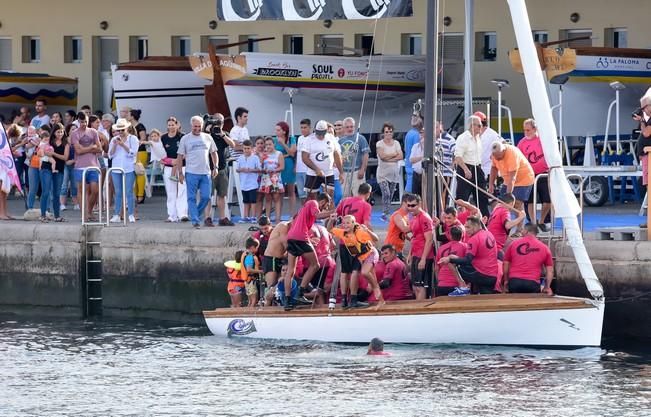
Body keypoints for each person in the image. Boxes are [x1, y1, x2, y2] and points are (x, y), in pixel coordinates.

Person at [284, 193, 333, 310]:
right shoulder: (313, 203)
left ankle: (287, 301)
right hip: (301, 238)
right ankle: (300, 293)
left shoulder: (304, 209)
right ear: (322, 202)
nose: (325, 208)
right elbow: (318, 215)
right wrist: (333, 211)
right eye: (326, 206)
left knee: (291, 270)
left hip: (291, 238)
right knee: (315, 265)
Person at [330, 215, 383, 308]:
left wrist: (368, 231)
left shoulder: (360, 232)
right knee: (351, 273)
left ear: (353, 223)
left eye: (348, 223)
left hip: (370, 254)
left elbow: (376, 239)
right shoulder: (343, 233)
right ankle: (346, 299)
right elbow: (330, 229)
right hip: (361, 257)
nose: (345, 225)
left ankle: (375, 293)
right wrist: (331, 220)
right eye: (344, 223)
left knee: (364, 273)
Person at [176, 116, 218, 229]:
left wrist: (216, 167)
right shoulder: (185, 138)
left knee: (206, 197)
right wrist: (180, 172)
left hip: (205, 172)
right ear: (191, 126)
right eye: (195, 126)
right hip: (191, 172)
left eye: (199, 126)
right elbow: (180, 156)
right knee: (191, 197)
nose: (197, 128)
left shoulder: (208, 137)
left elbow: (214, 153)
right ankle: (195, 220)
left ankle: (195, 214)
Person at [439, 216, 498, 294]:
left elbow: (467, 260)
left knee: (451, 258)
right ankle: (472, 290)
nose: (466, 230)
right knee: (486, 300)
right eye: (465, 227)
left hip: (482, 274)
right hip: (493, 275)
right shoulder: (488, 233)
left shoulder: (474, 239)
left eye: (468, 227)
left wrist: (449, 259)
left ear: (476, 226)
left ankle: (462, 285)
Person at [517, 118, 552, 231]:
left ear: (535, 129)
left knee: (547, 200)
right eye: (524, 130)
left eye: (528, 130)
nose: (526, 133)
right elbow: (518, 158)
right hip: (529, 175)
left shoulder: (542, 140)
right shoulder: (522, 143)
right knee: (530, 200)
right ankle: (533, 222)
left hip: (543, 174)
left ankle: (541, 221)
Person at [204, 113, 236, 227]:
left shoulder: (223, 134)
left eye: (220, 122)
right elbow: (202, 143)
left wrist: (222, 135)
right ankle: (207, 218)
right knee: (207, 195)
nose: (218, 124)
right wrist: (207, 132)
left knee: (222, 195)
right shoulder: (206, 134)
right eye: (216, 121)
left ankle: (222, 218)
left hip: (221, 168)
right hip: (209, 169)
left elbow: (233, 145)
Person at [504, 223, 554, 295]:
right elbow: (550, 271)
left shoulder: (513, 244)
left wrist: (506, 280)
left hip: (514, 282)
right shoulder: (545, 248)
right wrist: (547, 287)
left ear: (527, 231)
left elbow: (506, 263)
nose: (521, 231)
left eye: (523, 229)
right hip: (532, 283)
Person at [454, 115, 489, 216]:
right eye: (479, 125)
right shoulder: (463, 138)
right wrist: (465, 169)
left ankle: (485, 219)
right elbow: (458, 156)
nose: (481, 127)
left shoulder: (478, 137)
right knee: (463, 197)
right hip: (466, 167)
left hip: (477, 167)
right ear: (472, 126)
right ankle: (462, 220)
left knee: (482, 196)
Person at [405, 193, 437, 300]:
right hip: (416, 254)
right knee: (415, 285)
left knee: (420, 286)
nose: (410, 208)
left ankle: (420, 310)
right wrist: (410, 254)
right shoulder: (414, 217)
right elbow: (414, 237)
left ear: (419, 204)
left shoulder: (424, 218)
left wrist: (423, 259)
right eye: (408, 206)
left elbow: (429, 239)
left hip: (423, 255)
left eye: (413, 205)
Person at [70, 112, 101, 222]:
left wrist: (85, 149)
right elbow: (78, 151)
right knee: (81, 190)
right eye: (82, 122)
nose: (84, 124)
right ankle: (84, 214)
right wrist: (91, 147)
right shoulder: (74, 133)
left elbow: (99, 149)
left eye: (86, 122)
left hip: (93, 165)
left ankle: (89, 211)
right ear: (78, 121)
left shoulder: (93, 132)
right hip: (80, 166)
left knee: (95, 190)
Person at [488, 141, 535, 213]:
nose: (497, 159)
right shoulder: (495, 155)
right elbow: (494, 168)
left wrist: (508, 195)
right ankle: (504, 223)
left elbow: (512, 178)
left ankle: (518, 223)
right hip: (507, 180)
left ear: (503, 150)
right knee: (500, 204)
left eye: (499, 156)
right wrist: (491, 184)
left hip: (524, 179)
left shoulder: (512, 154)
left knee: (517, 204)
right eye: (495, 157)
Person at [302, 120, 344, 200]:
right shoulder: (309, 139)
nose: (320, 136)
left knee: (329, 197)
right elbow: (304, 157)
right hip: (313, 173)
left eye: (322, 133)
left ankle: (328, 211)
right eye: (318, 133)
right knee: (312, 198)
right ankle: (313, 211)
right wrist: (316, 169)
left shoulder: (331, 138)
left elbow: (336, 154)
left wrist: (341, 172)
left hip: (328, 172)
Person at [108, 118, 139, 223]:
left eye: (122, 130)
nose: (120, 132)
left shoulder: (133, 139)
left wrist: (123, 145)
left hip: (129, 168)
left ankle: (130, 214)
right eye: (119, 130)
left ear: (127, 129)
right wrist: (115, 145)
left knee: (129, 192)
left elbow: (133, 153)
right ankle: (116, 214)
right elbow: (110, 155)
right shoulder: (114, 139)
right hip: (116, 169)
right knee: (118, 192)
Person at [161, 116, 188, 222]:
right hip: (169, 166)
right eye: (169, 125)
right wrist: (170, 161)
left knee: (182, 189)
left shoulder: (183, 136)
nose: (171, 127)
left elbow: (187, 151)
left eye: (173, 125)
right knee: (171, 191)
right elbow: (160, 154)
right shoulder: (163, 138)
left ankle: (182, 214)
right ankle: (172, 215)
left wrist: (179, 160)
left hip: (182, 166)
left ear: (177, 125)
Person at [375, 122, 403, 221]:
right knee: (386, 193)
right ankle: (384, 212)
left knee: (390, 195)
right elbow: (382, 157)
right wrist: (394, 155)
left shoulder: (396, 143)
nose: (388, 134)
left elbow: (401, 156)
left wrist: (389, 158)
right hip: (382, 174)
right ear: (383, 133)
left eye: (390, 132)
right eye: (386, 132)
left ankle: (387, 211)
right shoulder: (379, 144)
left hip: (394, 174)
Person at [42, 123, 69, 222]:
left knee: (56, 193)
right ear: (54, 132)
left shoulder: (66, 143)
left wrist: (53, 153)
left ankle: (57, 216)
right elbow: (44, 151)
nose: (60, 134)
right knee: (46, 192)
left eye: (61, 131)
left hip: (60, 169)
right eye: (58, 132)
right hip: (47, 167)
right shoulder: (49, 141)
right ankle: (43, 215)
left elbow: (65, 158)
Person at [263, 219, 291, 306]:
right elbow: (286, 244)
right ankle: (265, 311)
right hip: (271, 258)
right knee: (271, 288)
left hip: (280, 259)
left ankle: (277, 307)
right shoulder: (284, 226)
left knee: (279, 288)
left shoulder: (292, 229)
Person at [339, 117, 369, 196]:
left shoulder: (361, 138)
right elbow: (338, 158)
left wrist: (363, 169)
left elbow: (365, 155)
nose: (350, 129)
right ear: (344, 128)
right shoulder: (340, 141)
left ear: (354, 127)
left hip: (357, 171)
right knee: (344, 196)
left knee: (358, 196)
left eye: (351, 126)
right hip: (345, 173)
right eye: (347, 127)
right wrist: (340, 172)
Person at [435, 226, 469, 296]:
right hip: (457, 285)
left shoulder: (441, 248)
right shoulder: (465, 247)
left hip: (441, 284)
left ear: (450, 236)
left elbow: (436, 268)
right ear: (462, 235)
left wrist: (439, 281)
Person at [259, 136, 285, 223]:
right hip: (266, 178)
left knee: (276, 197)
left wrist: (274, 170)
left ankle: (278, 218)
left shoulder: (279, 154)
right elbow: (261, 167)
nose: (268, 146)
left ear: (274, 144)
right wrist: (262, 161)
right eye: (266, 145)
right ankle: (267, 218)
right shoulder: (264, 155)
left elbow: (282, 167)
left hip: (275, 178)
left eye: (270, 144)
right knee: (268, 198)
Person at [635, 91, 651, 228]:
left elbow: (646, 133)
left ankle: (650, 221)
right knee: (647, 186)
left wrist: (642, 121)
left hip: (649, 157)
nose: (644, 111)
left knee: (649, 187)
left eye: (645, 108)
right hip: (646, 156)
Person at [274, 121, 297, 216]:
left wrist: (283, 144)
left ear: (284, 131)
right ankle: (279, 214)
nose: (276, 132)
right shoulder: (274, 140)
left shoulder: (291, 139)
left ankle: (292, 214)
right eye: (276, 130)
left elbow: (292, 153)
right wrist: (285, 154)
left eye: (278, 130)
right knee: (280, 192)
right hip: (279, 165)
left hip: (289, 164)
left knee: (291, 191)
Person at [236, 139, 261, 223]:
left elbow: (259, 169)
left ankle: (253, 216)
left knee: (253, 201)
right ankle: (245, 216)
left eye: (248, 148)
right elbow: (237, 169)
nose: (246, 150)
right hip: (243, 184)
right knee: (245, 201)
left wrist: (251, 170)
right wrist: (241, 169)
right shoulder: (240, 158)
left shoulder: (255, 158)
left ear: (252, 148)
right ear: (242, 149)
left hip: (253, 184)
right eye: (245, 148)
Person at [126, 109, 148, 204]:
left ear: (132, 116)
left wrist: (134, 144)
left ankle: (141, 195)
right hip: (132, 152)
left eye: (128, 114)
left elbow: (143, 139)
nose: (127, 116)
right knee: (133, 173)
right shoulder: (129, 127)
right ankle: (134, 194)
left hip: (140, 151)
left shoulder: (140, 126)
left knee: (139, 171)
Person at [474, 111, 501, 181]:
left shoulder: (492, 134)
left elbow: (503, 145)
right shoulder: (474, 134)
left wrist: (494, 155)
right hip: (475, 169)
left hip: (488, 169)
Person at [436, 120, 456, 204]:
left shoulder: (449, 139)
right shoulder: (431, 140)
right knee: (435, 197)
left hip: (445, 173)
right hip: (434, 173)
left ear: (441, 126)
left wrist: (452, 165)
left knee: (442, 197)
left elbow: (456, 153)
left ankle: (442, 214)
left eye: (436, 127)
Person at [404, 112, 423, 193]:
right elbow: (418, 152)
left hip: (409, 167)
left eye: (416, 117)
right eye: (413, 116)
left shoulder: (409, 133)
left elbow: (405, 149)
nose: (414, 118)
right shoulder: (416, 135)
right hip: (415, 170)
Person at [240, 237, 262, 307]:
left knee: (250, 301)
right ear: (252, 247)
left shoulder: (244, 253)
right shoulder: (249, 256)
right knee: (254, 300)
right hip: (251, 281)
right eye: (257, 247)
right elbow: (249, 269)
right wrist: (261, 271)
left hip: (247, 281)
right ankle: (251, 315)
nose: (257, 249)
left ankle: (247, 313)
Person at [295, 119, 311, 202]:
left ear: (309, 128)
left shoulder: (312, 138)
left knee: (309, 194)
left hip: (307, 170)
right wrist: (295, 167)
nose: (303, 129)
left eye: (305, 127)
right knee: (301, 194)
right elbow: (297, 154)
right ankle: (304, 213)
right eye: (301, 127)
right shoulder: (300, 138)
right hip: (299, 170)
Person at [409, 127, 425, 196]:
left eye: (423, 132)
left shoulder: (430, 147)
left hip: (425, 175)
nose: (421, 134)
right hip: (416, 173)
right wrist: (421, 157)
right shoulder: (415, 146)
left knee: (424, 195)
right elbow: (411, 160)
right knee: (415, 195)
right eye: (420, 133)